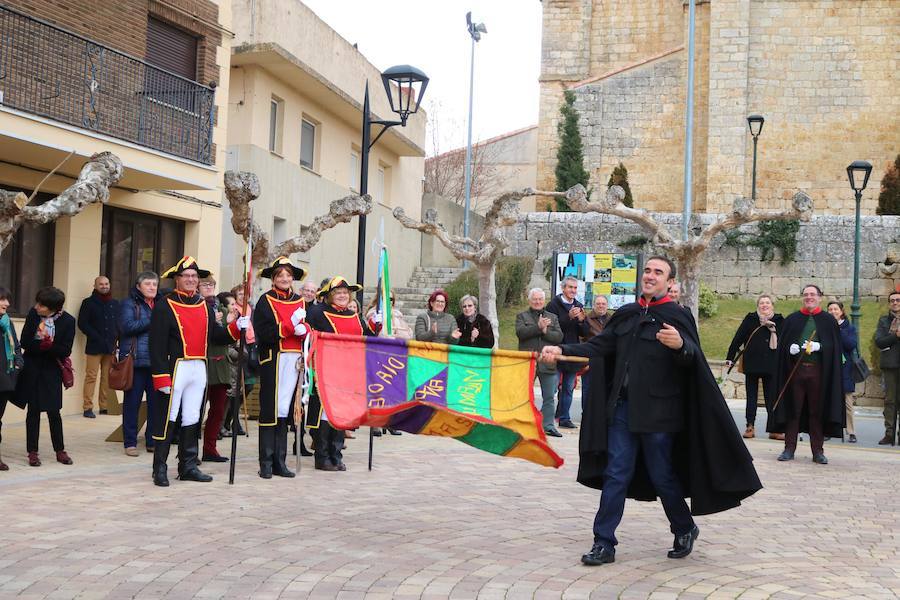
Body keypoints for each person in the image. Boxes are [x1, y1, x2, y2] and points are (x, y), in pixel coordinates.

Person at [541, 256, 761, 566]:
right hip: (622, 409)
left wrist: (680, 345)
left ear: (670, 282)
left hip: (660, 414)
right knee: (616, 473)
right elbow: (600, 346)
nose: (650, 276)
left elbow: (693, 360)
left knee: (662, 476)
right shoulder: (628, 314)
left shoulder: (677, 316)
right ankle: (604, 542)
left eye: (658, 272)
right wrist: (562, 351)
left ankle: (685, 527)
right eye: (647, 270)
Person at [149, 257, 244, 487]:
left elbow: (215, 337)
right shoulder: (165, 305)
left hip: (199, 367)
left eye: (194, 277)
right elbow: (156, 344)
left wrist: (236, 327)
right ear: (177, 280)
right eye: (186, 276)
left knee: (192, 417)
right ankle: (159, 467)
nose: (191, 280)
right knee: (168, 418)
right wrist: (161, 375)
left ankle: (188, 465)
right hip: (176, 367)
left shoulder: (205, 305)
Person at [305, 276, 376, 471]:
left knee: (341, 414)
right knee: (324, 414)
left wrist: (378, 330)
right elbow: (308, 334)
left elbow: (368, 337)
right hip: (325, 371)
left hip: (348, 372)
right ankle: (322, 456)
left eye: (345, 292)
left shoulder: (354, 316)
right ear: (329, 295)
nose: (342, 295)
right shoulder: (317, 312)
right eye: (338, 292)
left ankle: (336, 454)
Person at [768, 284, 843, 465]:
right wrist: (789, 349)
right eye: (806, 294)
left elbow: (835, 347)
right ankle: (789, 448)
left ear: (819, 297)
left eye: (812, 294)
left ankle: (817, 451)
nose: (809, 297)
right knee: (793, 409)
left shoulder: (828, 320)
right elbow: (783, 345)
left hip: (819, 373)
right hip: (795, 372)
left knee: (816, 411)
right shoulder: (793, 319)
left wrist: (821, 347)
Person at [252, 257, 309, 479]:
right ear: (273, 279)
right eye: (280, 275)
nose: (284, 278)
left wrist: (305, 330)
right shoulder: (265, 301)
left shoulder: (300, 301)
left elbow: (307, 327)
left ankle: (280, 462)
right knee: (270, 409)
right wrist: (287, 327)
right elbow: (263, 334)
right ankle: (265, 462)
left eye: (288, 275)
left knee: (285, 409)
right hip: (274, 358)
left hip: (294, 359)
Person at [17, 287, 76, 467]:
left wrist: (49, 346)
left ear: (53, 308)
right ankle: (32, 452)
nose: (36, 307)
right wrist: (39, 345)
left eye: (41, 305)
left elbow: (66, 350)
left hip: (52, 371)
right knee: (33, 412)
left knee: (54, 412)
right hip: (33, 368)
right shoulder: (33, 315)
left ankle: (60, 450)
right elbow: (25, 341)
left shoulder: (68, 321)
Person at [725, 294, 783, 440]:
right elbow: (738, 338)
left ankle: (773, 429)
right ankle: (750, 426)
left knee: (771, 397)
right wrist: (730, 357)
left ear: (772, 305)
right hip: (752, 363)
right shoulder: (751, 319)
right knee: (751, 397)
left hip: (771, 364)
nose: (764, 305)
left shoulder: (779, 320)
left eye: (767, 303)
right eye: (762, 303)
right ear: (758, 305)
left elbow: (786, 341)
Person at [118, 272, 161, 456]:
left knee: (155, 405)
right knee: (132, 404)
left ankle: (152, 440)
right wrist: (153, 319)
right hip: (135, 362)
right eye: (148, 284)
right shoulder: (129, 304)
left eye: (155, 284)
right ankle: (130, 442)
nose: (152, 287)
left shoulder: (161, 304)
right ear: (138, 286)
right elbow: (127, 327)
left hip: (157, 361)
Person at [516, 288, 564, 437]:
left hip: (548, 362)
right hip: (527, 363)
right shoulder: (522, 316)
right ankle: (522, 424)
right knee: (523, 395)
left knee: (549, 396)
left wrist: (545, 332)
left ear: (544, 301)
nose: (537, 302)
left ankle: (548, 425)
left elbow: (559, 337)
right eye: (535, 299)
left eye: (540, 299)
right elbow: (521, 334)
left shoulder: (553, 317)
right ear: (530, 301)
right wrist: (538, 327)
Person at [545, 276, 590, 429]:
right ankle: (548, 419)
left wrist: (582, 320)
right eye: (570, 287)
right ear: (563, 288)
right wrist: (568, 317)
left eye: (575, 288)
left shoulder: (579, 305)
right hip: (556, 351)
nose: (573, 290)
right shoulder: (553, 305)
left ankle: (564, 418)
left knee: (568, 388)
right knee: (552, 387)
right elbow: (552, 329)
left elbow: (584, 332)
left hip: (572, 352)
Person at [200, 282, 234, 464]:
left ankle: (210, 449)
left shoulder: (223, 308)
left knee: (218, 410)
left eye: (211, 284)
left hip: (220, 365)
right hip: (202, 362)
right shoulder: (197, 306)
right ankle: (188, 451)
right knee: (195, 412)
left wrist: (233, 325)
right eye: (204, 284)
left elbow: (229, 336)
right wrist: (214, 322)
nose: (208, 287)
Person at [77, 276, 119, 418]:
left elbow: (118, 324)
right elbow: (83, 324)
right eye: (101, 284)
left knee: (107, 377)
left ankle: (104, 406)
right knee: (91, 376)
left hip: (110, 347)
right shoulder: (88, 303)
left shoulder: (114, 303)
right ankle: (87, 408)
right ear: (95, 286)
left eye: (106, 283)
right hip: (94, 346)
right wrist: (96, 336)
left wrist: (117, 339)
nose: (104, 286)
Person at [826, 300, 858, 443]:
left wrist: (838, 331)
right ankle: (829, 429)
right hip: (830, 368)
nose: (833, 312)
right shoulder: (825, 326)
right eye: (830, 309)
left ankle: (851, 432)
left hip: (845, 369)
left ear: (841, 311)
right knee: (829, 401)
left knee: (848, 403)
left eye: (835, 309)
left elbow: (851, 345)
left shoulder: (849, 327)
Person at [0, 287, 22, 471]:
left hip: (5, 380)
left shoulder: (7, 323)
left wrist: (18, 363)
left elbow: (16, 347)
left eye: (7, 299)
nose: (6, 303)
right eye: (2, 299)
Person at [875, 290, 900, 445]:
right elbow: (880, 342)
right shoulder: (884, 321)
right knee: (890, 401)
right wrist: (895, 336)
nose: (895, 302)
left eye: (898, 300)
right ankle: (889, 433)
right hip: (890, 365)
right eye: (892, 300)